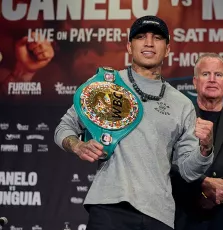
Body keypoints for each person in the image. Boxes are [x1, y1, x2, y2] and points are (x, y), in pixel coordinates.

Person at [54, 15, 214, 230]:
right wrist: (77, 145)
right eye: (141, 37)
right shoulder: (106, 85)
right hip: (109, 205)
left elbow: (188, 170)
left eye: (157, 38)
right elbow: (64, 128)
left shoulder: (182, 104)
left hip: (158, 213)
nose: (149, 43)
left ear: (167, 49)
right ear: (129, 46)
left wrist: (205, 149)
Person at [172, 53, 223, 230]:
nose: (212, 80)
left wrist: (221, 189)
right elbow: (166, 164)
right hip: (184, 217)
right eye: (205, 74)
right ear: (195, 82)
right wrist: (202, 184)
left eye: (218, 75)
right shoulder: (178, 120)